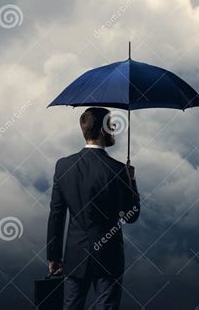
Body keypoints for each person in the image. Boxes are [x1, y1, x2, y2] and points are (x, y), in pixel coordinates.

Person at [46, 107, 140, 310]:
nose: (114, 130)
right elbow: (131, 216)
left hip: (74, 255)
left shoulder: (63, 166)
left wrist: (53, 256)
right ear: (103, 131)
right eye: (112, 126)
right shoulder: (118, 170)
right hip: (109, 256)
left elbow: (57, 215)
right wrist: (132, 182)